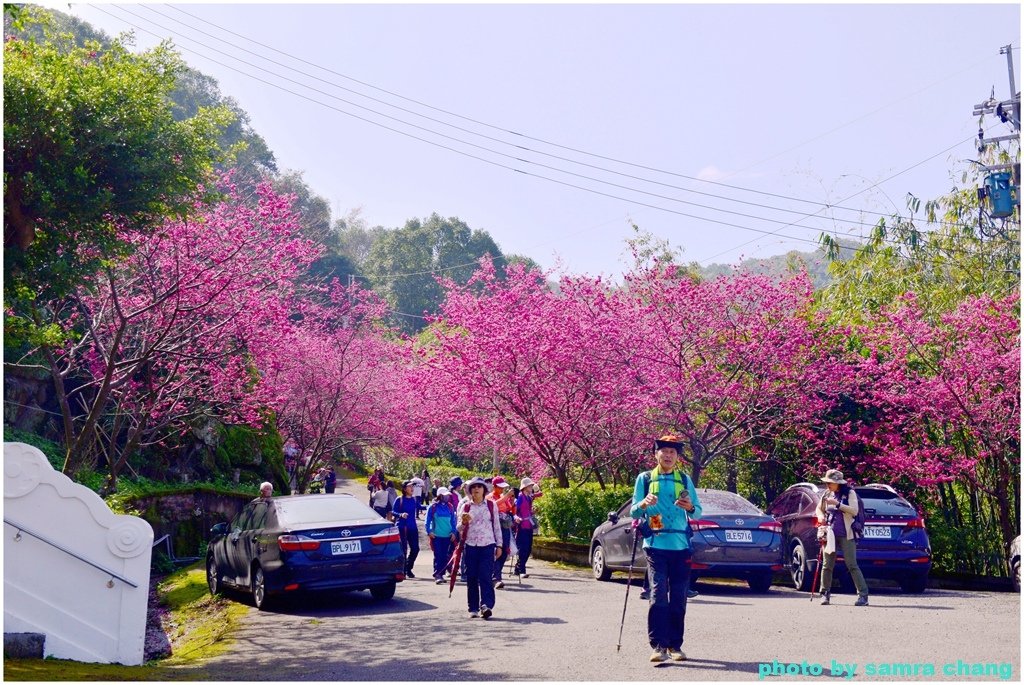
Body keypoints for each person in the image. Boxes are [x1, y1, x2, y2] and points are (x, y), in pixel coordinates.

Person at [630, 434, 702, 664]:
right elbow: (633, 511)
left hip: (681, 546)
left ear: (677, 457)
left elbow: (698, 512)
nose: (668, 455)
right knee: (658, 594)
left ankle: (675, 645)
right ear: (656, 454)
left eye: (673, 452)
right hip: (655, 546)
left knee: (679, 597)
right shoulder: (644, 479)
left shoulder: (684, 479)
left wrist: (689, 506)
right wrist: (643, 504)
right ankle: (658, 646)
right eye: (664, 451)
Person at [815, 469, 869, 607]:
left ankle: (863, 595)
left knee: (851, 564)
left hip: (847, 534)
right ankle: (824, 594)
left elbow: (854, 510)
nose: (827, 485)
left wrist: (837, 504)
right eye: (826, 482)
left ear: (838, 483)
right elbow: (819, 508)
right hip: (830, 534)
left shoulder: (849, 493)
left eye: (830, 483)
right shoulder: (827, 493)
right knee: (827, 565)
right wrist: (821, 516)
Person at [457, 477, 502, 619]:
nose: (476, 489)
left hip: (488, 545)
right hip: (471, 545)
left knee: (485, 576)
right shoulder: (465, 506)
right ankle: (473, 607)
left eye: (479, 487)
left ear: (484, 490)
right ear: (470, 490)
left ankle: (486, 605)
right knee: (472, 577)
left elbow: (496, 526)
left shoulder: (491, 505)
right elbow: (458, 527)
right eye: (474, 487)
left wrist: (499, 545)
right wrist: (463, 522)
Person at [487, 477, 516, 588]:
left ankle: (496, 575)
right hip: (495, 527)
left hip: (505, 527)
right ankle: (496, 578)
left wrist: (512, 501)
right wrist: (506, 497)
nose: (503, 489)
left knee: (504, 552)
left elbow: (511, 510)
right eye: (500, 487)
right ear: (494, 487)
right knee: (497, 552)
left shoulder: (503, 497)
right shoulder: (490, 497)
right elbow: (493, 505)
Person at [425, 487, 458, 584]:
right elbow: (428, 520)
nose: (447, 497)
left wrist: (453, 532)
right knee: (438, 555)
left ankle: (441, 574)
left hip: (447, 536)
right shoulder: (433, 507)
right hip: (436, 536)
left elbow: (453, 521)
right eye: (445, 495)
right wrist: (429, 531)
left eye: (448, 495)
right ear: (440, 496)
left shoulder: (450, 507)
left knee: (444, 556)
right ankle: (437, 575)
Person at [513, 477, 543, 578]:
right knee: (523, 549)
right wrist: (516, 518)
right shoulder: (520, 497)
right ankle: (522, 570)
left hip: (528, 526)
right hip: (522, 526)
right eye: (530, 485)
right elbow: (515, 510)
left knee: (528, 549)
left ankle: (518, 568)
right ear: (525, 487)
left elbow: (528, 511)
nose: (531, 487)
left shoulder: (528, 497)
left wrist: (533, 512)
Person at [392, 480, 421, 578]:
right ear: (404, 489)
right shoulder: (399, 499)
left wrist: (433, 504)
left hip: (412, 527)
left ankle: (408, 567)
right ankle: (403, 570)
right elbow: (393, 512)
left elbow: (420, 507)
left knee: (416, 549)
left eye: (412, 486)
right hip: (402, 527)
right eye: (409, 486)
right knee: (403, 549)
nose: (412, 488)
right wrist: (400, 514)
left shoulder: (414, 499)